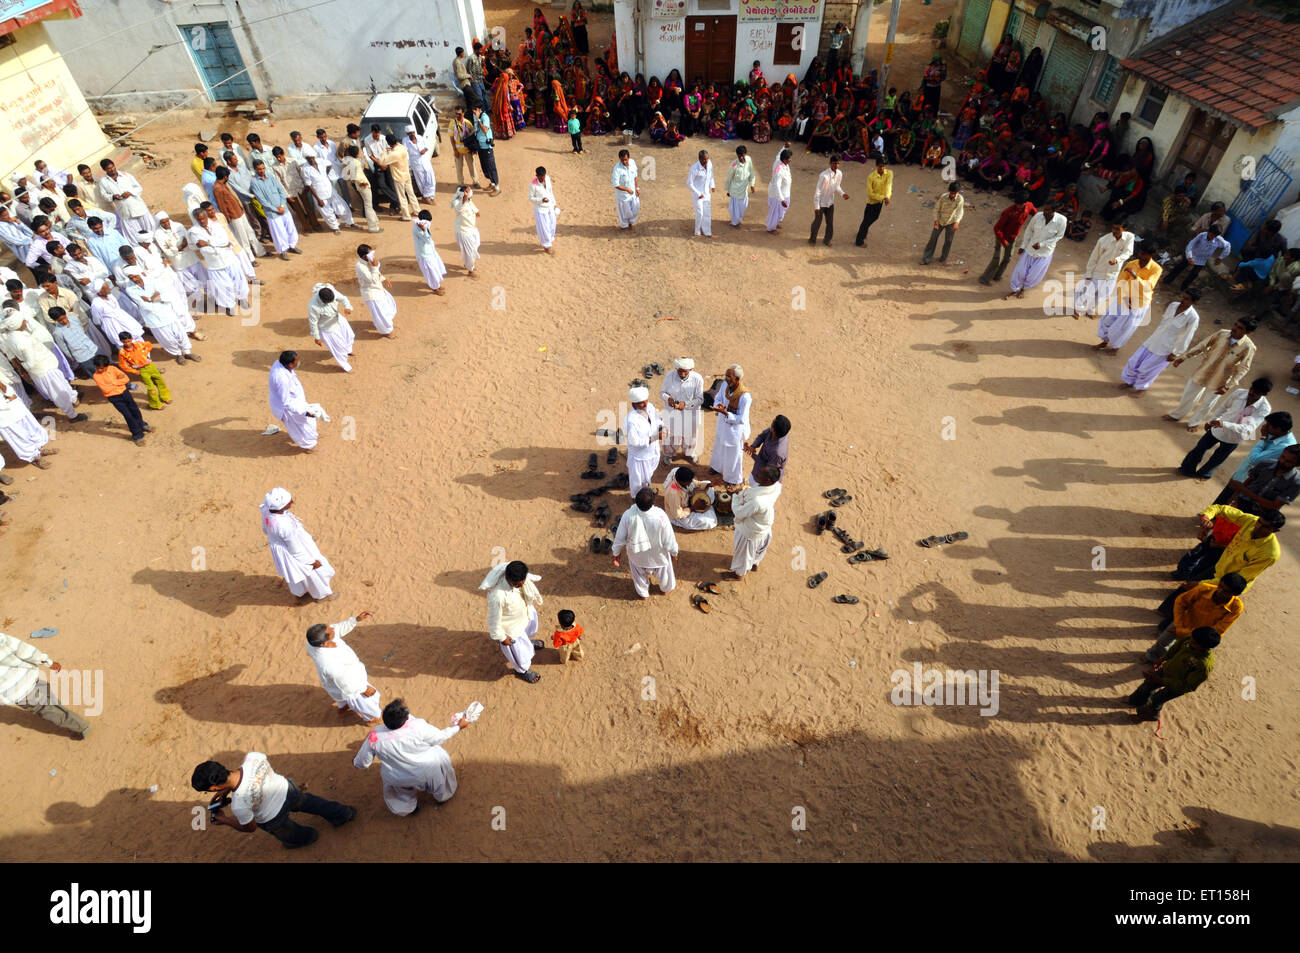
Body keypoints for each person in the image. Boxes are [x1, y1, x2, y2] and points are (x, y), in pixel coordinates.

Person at [191, 754, 355, 849]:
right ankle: (344, 814)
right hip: (287, 790)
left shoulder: (239, 804)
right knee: (312, 803)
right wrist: (227, 788)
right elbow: (248, 780)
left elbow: (249, 828)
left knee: (291, 834)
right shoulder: (253, 757)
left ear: (213, 788)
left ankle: (308, 837)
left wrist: (224, 819)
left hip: (273, 818)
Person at [353, 698, 470, 816]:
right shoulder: (418, 727)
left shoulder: (375, 736)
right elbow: (440, 737)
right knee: (439, 756)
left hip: (397, 778)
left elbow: (362, 763)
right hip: (427, 772)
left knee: (400, 793)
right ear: (406, 718)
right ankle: (443, 797)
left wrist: (356, 763)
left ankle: (409, 809)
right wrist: (458, 727)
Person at [1165, 319, 1258, 429]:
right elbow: (1202, 346)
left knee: (1207, 404)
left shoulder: (1248, 347)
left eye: (1240, 328)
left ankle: (1194, 423)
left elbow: (1244, 368)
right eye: (1235, 325)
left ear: (1248, 332)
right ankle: (1177, 415)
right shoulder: (1222, 333)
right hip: (1203, 370)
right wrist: (1184, 357)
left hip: (1221, 380)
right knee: (1188, 395)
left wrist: (1228, 386)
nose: (1234, 328)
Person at [1178, 377, 1273, 480]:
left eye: (1256, 392)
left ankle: (1204, 474)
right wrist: (1212, 420)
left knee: (1218, 457)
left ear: (1264, 394)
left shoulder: (1264, 408)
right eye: (1251, 389)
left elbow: (1248, 428)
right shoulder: (1239, 393)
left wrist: (1224, 424)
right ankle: (1186, 469)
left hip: (1235, 437)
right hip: (1218, 428)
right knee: (1199, 448)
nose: (1251, 393)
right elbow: (1223, 407)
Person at [0, 309, 85, 423]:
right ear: (17, 323)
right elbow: (30, 363)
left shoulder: (10, 336)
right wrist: (23, 366)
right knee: (59, 392)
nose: (25, 321)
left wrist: (20, 367)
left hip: (43, 368)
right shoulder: (22, 341)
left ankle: (73, 399)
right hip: (44, 370)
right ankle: (72, 415)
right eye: (23, 320)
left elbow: (11, 355)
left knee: (63, 385)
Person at [0, 631, 90, 738]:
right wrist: (47, 662)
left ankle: (80, 726)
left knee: (46, 710)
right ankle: (63, 711)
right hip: (30, 677)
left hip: (17, 693)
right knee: (48, 698)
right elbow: (24, 650)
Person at [1126, 627, 1219, 721]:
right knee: (1148, 684)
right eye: (1191, 638)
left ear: (1205, 647)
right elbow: (1175, 648)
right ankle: (1136, 702)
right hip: (1167, 670)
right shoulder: (1190, 638)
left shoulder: (1203, 665)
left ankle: (1150, 716)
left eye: (1194, 643)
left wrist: (1161, 680)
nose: (1190, 641)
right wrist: (1163, 658)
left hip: (1178, 686)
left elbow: (1188, 686)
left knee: (1157, 699)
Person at [1146, 574, 1244, 662]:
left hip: (1204, 635)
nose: (1220, 591)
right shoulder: (1203, 589)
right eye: (1220, 586)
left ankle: (1172, 664)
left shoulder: (1236, 607)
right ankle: (1153, 657)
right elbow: (1180, 602)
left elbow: (1218, 630)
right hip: (1184, 622)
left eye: (1225, 591)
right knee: (1163, 641)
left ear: (1234, 594)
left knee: (1194, 658)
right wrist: (1179, 625)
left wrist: (1183, 632)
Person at [260, 486, 336, 600]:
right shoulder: (284, 527)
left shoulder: (266, 510)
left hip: (282, 547)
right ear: (281, 507)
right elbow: (295, 551)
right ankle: (323, 595)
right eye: (289, 502)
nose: (292, 502)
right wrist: (311, 562)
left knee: (294, 571)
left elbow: (265, 529)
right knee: (310, 572)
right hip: (295, 549)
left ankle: (300, 592)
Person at [306, 610, 380, 725]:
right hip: (352, 687)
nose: (333, 629)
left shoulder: (315, 640)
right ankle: (371, 718)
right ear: (325, 643)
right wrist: (363, 688)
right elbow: (346, 683)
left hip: (342, 681)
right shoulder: (328, 665)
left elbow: (337, 628)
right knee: (364, 704)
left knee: (341, 698)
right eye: (330, 631)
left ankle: (343, 707)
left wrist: (355, 620)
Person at [1119, 290, 1200, 393]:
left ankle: (1141, 388)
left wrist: (1175, 353)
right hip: (1152, 341)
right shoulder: (1173, 305)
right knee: (1134, 361)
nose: (1182, 300)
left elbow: (1187, 337)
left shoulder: (1193, 317)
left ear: (1195, 302)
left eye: (1186, 299)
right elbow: (1163, 323)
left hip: (1165, 348)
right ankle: (1129, 382)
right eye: (1183, 297)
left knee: (1147, 369)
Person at [481, 559, 544, 684]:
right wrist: (502, 638)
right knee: (518, 655)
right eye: (518, 585)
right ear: (509, 579)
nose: (522, 585)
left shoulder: (517, 576)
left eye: (523, 582)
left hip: (523, 616)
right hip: (512, 630)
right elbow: (493, 621)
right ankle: (522, 671)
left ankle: (528, 643)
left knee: (527, 633)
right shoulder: (497, 596)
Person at [1213, 411, 1295, 505]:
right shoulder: (1275, 435)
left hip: (1247, 482)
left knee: (1228, 505)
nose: (1265, 426)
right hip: (1241, 474)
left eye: (1269, 425)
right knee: (1221, 501)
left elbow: (1255, 460)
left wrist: (1263, 437)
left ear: (1279, 429)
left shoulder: (1284, 447)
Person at [611, 485, 679, 598]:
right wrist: (674, 553)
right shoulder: (660, 515)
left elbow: (620, 537)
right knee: (665, 574)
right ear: (653, 502)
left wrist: (616, 553)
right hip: (659, 556)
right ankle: (665, 589)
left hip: (637, 557)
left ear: (636, 501)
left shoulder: (628, 515)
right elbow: (669, 539)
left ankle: (643, 593)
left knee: (639, 577)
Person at [1094, 249, 1161, 352]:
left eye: (1144, 253)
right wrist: (1126, 297)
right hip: (1123, 298)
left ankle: (1116, 347)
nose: (1140, 255)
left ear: (1151, 255)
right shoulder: (1132, 264)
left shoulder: (1156, 269)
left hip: (1138, 303)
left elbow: (1148, 286)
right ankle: (1105, 342)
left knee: (1125, 327)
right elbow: (1121, 281)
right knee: (1108, 320)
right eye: (1140, 252)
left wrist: (1134, 276)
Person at [188, 205, 250, 314]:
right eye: (199, 219)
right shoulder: (193, 232)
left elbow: (225, 241)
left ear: (207, 216)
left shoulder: (217, 226)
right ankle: (229, 305)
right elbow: (205, 249)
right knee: (222, 287)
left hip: (229, 259)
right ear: (196, 219)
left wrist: (209, 242)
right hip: (214, 264)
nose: (202, 221)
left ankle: (242, 298)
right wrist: (217, 245)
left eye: (204, 218)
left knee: (238, 280)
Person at [1003, 200, 1065, 299]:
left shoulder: (1062, 220)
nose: (1045, 212)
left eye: (1048, 210)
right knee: (1020, 271)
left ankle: (1023, 289)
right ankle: (1015, 289)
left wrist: (1042, 244)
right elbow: (1029, 231)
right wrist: (1023, 246)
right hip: (1030, 250)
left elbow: (1059, 237)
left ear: (1054, 211)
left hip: (1044, 253)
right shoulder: (1037, 216)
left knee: (1033, 275)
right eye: (1045, 209)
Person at [730, 464, 782, 579]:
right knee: (758, 550)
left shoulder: (758, 500)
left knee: (744, 555)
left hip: (750, 532)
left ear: (768, 480)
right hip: (764, 527)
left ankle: (738, 574)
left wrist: (735, 496)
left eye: (760, 474)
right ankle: (754, 564)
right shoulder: (777, 486)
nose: (756, 473)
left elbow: (739, 513)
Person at [1073, 222, 1134, 318]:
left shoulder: (1129, 237)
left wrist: (1117, 260)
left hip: (1112, 273)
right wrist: (1089, 273)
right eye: (1113, 228)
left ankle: (1091, 309)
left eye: (1117, 229)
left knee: (1103, 294)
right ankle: (1078, 309)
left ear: (1124, 229)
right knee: (1088, 292)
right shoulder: (1103, 240)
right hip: (1099, 271)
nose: (1114, 231)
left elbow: (1128, 252)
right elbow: (1094, 257)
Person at [268, 350, 324, 451]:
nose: (299, 362)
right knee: (300, 427)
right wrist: (304, 412)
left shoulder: (280, 363)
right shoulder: (281, 379)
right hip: (288, 408)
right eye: (296, 361)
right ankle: (308, 446)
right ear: (290, 364)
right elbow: (286, 402)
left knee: (308, 423)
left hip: (296, 401)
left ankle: (311, 438)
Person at [978, 191, 1034, 286]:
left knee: (1008, 258)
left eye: (1020, 204)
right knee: (997, 259)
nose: (1018, 206)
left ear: (1024, 203)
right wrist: (1003, 240)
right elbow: (997, 228)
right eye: (1016, 204)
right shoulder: (1008, 212)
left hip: (1013, 237)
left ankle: (997, 276)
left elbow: (1035, 213)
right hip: (1002, 237)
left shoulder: (1029, 206)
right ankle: (984, 278)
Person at [1226, 445, 1300, 515]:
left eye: (1288, 461)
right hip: (1240, 503)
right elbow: (1249, 481)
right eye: (1282, 457)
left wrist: (1243, 490)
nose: (1282, 461)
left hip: (1259, 514)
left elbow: (1274, 505)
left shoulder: (1296, 482)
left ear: (1297, 464)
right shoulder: (1265, 464)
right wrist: (1233, 499)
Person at [89, 354, 147, 444]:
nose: (100, 370)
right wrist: (118, 381)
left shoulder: (113, 368)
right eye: (98, 368)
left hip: (125, 393)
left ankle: (142, 424)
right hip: (114, 398)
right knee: (127, 415)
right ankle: (137, 434)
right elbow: (106, 389)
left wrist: (112, 383)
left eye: (102, 368)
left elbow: (126, 379)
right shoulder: (96, 376)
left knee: (135, 409)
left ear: (106, 366)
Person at [249, 160, 301, 260]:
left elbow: (281, 191)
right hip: (272, 213)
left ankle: (292, 246)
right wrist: (275, 209)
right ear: (255, 169)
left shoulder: (270, 176)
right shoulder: (254, 182)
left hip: (283, 208)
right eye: (259, 169)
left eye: (263, 168)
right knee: (279, 232)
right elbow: (262, 200)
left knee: (290, 228)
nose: (262, 171)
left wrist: (282, 205)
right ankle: (283, 251)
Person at [0, 374, 58, 462]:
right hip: (4, 414)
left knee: (30, 429)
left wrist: (8, 394)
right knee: (18, 436)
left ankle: (38, 451)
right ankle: (35, 458)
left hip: (12, 405)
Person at [661, 356, 704, 464]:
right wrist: (668, 399)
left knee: (690, 436)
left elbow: (700, 399)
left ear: (690, 370)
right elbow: (662, 393)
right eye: (679, 371)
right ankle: (669, 454)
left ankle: (689, 453)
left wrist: (685, 404)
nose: (682, 374)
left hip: (691, 414)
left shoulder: (697, 379)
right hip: (672, 413)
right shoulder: (669, 376)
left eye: (685, 371)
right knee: (671, 435)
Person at [95, 159, 151, 240]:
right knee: (134, 235)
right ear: (104, 170)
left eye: (113, 167)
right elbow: (104, 195)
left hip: (138, 207)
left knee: (148, 229)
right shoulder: (103, 182)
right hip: (125, 212)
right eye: (109, 168)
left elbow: (139, 188)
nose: (112, 169)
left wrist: (130, 193)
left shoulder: (126, 175)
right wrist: (113, 197)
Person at [116, 332, 172, 409]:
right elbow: (122, 365)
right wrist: (134, 371)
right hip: (141, 371)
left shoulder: (138, 344)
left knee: (160, 381)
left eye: (128, 341)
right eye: (125, 342)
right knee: (151, 388)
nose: (127, 343)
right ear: (121, 341)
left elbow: (148, 344)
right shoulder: (122, 352)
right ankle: (155, 404)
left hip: (151, 366)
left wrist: (145, 352)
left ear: (131, 339)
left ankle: (165, 397)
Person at [308, 284, 356, 373]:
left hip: (339, 320)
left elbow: (343, 298)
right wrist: (317, 337)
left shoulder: (331, 291)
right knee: (339, 349)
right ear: (323, 300)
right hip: (328, 329)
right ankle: (346, 366)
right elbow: (313, 323)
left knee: (350, 336)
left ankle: (348, 350)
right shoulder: (313, 306)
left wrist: (347, 307)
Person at [1165, 225, 1230, 291]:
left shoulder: (1219, 240)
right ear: (1209, 232)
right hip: (1193, 254)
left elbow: (1228, 246)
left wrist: (1220, 257)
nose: (1213, 237)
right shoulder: (1201, 236)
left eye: (1215, 236)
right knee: (1180, 267)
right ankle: (1167, 280)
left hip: (1202, 259)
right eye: (1212, 235)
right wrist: (1190, 257)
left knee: (1194, 274)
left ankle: (1183, 288)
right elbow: (1190, 245)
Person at [375, 134, 420, 221]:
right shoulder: (402, 147)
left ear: (388, 143)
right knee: (411, 194)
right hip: (406, 174)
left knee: (402, 197)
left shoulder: (394, 154)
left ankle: (406, 216)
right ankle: (417, 210)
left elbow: (381, 162)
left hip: (399, 177)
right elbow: (397, 146)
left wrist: (384, 151)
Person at [354, 244, 397, 337]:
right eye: (371, 254)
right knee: (380, 314)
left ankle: (386, 324)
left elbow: (377, 273)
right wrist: (374, 267)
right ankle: (387, 332)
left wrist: (384, 279)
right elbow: (371, 279)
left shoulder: (369, 260)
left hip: (378, 289)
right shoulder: (360, 267)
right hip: (371, 294)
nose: (373, 256)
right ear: (364, 256)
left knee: (388, 306)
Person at [48, 306, 99, 379]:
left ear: (65, 314)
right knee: (96, 375)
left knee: (111, 367)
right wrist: (74, 357)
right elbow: (64, 348)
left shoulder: (74, 319)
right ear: (56, 320)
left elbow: (81, 329)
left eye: (64, 318)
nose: (64, 321)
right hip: (82, 357)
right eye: (60, 320)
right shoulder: (57, 333)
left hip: (93, 348)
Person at [662, 464, 717, 531]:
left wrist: (709, 485)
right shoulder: (673, 494)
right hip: (679, 514)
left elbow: (697, 484)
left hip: (687, 498)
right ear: (681, 482)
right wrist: (693, 507)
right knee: (708, 522)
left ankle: (706, 507)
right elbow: (678, 514)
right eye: (689, 481)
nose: (691, 482)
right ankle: (706, 509)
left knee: (708, 482)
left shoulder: (684, 480)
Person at [810, 154, 849, 246]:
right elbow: (818, 190)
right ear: (830, 163)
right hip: (821, 203)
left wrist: (843, 194)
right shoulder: (823, 176)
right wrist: (816, 206)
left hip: (830, 202)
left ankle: (827, 240)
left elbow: (837, 186)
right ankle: (812, 239)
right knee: (817, 222)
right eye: (834, 163)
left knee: (830, 222)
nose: (836, 165)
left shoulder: (839, 174)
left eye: (838, 163)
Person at [853, 156, 892, 248]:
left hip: (880, 202)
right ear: (876, 165)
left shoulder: (889, 174)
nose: (881, 168)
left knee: (873, 218)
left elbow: (889, 186)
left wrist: (887, 197)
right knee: (866, 221)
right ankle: (859, 241)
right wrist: (884, 198)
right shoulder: (871, 177)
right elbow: (871, 194)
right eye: (880, 166)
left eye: (883, 166)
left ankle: (862, 232)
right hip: (871, 203)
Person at [922, 181, 964, 265]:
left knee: (948, 240)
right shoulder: (943, 197)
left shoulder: (960, 199)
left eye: (954, 193)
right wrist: (936, 221)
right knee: (933, 238)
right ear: (948, 190)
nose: (952, 195)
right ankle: (926, 258)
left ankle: (943, 258)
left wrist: (957, 222)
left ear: (957, 192)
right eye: (951, 193)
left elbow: (960, 211)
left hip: (951, 221)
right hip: (940, 220)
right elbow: (936, 209)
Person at [340, 146, 380, 234]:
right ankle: (373, 227)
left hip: (360, 185)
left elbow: (351, 177)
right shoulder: (355, 163)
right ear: (357, 154)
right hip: (363, 185)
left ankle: (375, 220)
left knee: (368, 204)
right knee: (368, 205)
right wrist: (362, 183)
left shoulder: (351, 162)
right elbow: (355, 177)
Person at [412, 210, 447, 294]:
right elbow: (426, 239)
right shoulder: (418, 229)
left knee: (435, 268)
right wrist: (424, 230)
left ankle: (436, 285)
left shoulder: (422, 224)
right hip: (424, 255)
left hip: (430, 251)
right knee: (430, 271)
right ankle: (435, 288)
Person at [746, 414, 790, 481]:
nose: (771, 424)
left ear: (773, 430)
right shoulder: (777, 432)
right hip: (758, 471)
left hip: (764, 480)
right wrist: (753, 446)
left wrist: (752, 455)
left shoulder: (778, 453)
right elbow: (762, 436)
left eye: (772, 423)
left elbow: (767, 470)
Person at [450, 186, 481, 276]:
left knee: (476, 245)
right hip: (463, 231)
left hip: (472, 229)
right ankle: (471, 270)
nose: (470, 191)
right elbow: (460, 208)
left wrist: (476, 212)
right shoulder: (457, 202)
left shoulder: (469, 200)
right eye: (467, 191)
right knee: (469, 252)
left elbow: (473, 207)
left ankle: (468, 263)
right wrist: (464, 197)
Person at [447, 106, 481, 188]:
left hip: (468, 150)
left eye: (459, 114)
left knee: (472, 167)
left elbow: (473, 136)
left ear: (463, 113)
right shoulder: (452, 124)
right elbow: (451, 138)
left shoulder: (468, 123)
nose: (457, 115)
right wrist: (455, 151)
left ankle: (475, 181)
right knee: (459, 169)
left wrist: (473, 149)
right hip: (458, 151)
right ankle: (460, 183)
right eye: (456, 114)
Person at [724, 145, 757, 228]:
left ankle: (737, 219)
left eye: (742, 155)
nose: (741, 158)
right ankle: (735, 223)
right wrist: (728, 190)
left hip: (744, 190)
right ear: (737, 155)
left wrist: (752, 184)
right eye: (739, 156)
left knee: (743, 206)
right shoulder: (734, 165)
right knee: (735, 208)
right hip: (735, 190)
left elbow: (751, 171)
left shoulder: (749, 160)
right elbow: (729, 178)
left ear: (745, 154)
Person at [686, 149, 715, 238]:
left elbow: (711, 175)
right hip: (697, 195)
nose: (705, 161)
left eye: (707, 159)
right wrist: (698, 193)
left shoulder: (709, 164)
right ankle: (697, 231)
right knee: (700, 213)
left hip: (707, 194)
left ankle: (707, 231)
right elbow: (689, 183)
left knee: (707, 213)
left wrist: (712, 185)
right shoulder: (694, 168)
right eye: (703, 159)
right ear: (699, 159)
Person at [471, 106, 500, 195]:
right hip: (480, 146)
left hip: (487, 146)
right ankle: (492, 183)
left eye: (476, 109)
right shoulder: (475, 116)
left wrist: (478, 119)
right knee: (485, 167)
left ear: (480, 109)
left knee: (491, 166)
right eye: (473, 109)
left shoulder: (484, 117)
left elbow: (485, 129)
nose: (474, 111)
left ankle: (497, 187)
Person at [529, 166, 558, 253]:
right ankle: (547, 246)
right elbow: (531, 198)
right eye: (540, 177)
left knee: (552, 226)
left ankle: (548, 241)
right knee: (544, 229)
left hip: (550, 207)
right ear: (536, 176)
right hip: (540, 210)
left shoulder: (548, 179)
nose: (542, 178)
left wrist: (554, 203)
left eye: (543, 176)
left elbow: (550, 192)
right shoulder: (533, 185)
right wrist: (541, 200)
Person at [404, 128, 436, 202]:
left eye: (413, 132)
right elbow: (406, 153)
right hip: (415, 163)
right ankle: (425, 196)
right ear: (407, 134)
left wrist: (424, 150)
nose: (412, 134)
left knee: (431, 178)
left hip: (425, 160)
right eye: (410, 133)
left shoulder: (420, 138)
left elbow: (427, 146)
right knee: (421, 181)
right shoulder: (405, 141)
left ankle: (431, 195)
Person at [612, 149, 640, 229]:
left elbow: (635, 176)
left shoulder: (632, 163)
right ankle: (624, 225)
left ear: (629, 157)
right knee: (624, 212)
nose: (624, 162)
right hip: (623, 196)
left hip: (633, 193)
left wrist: (637, 188)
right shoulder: (617, 169)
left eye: (626, 159)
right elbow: (616, 184)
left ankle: (631, 222)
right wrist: (627, 190)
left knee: (635, 208)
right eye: (622, 160)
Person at [767, 147, 793, 233]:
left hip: (786, 193)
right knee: (775, 211)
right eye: (789, 158)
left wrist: (785, 147)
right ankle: (771, 228)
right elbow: (777, 185)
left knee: (781, 211)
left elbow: (778, 154)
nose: (791, 160)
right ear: (785, 159)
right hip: (778, 195)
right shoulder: (779, 170)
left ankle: (776, 222)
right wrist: (781, 199)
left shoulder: (780, 161)